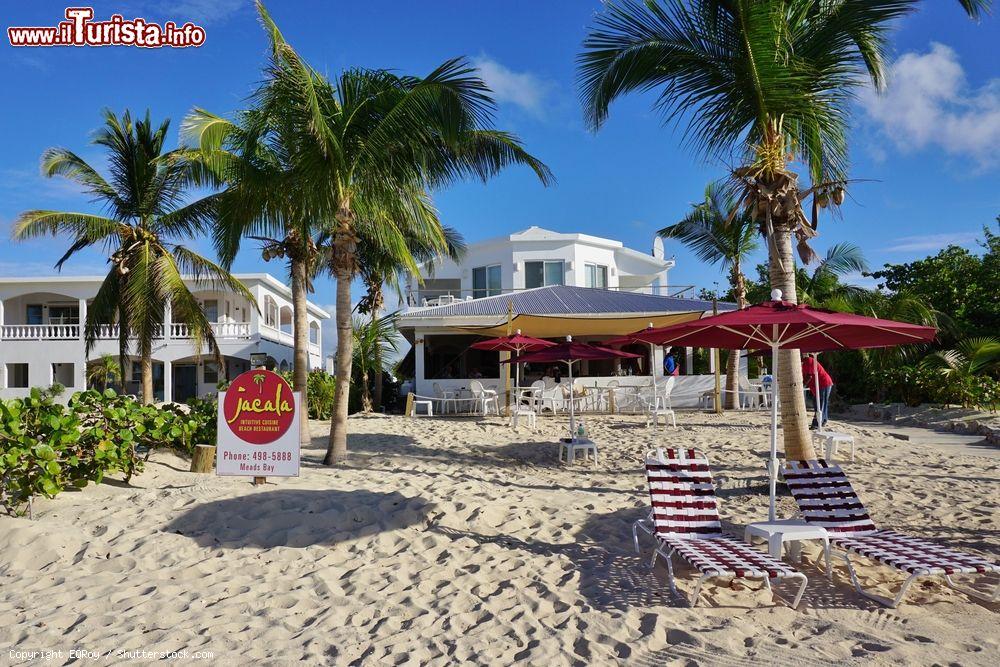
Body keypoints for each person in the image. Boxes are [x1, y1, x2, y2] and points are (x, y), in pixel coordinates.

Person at [802, 354, 834, 429]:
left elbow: (809, 376)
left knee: (819, 403)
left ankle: (816, 424)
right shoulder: (803, 363)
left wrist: (802, 385)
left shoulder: (808, 361)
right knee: (820, 402)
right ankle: (823, 420)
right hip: (820, 385)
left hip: (824, 383)